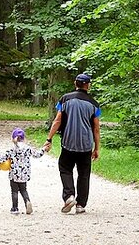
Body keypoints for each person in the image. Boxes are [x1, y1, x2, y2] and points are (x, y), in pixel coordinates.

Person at [42, 73, 101, 214]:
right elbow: (96, 128)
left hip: (68, 142)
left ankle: (69, 196)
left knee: (65, 168)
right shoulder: (94, 104)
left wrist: (49, 139)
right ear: (88, 85)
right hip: (86, 145)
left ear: (75, 83)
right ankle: (80, 205)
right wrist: (97, 148)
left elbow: (57, 120)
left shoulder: (65, 99)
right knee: (84, 174)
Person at [0, 127, 43, 214]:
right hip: (24, 174)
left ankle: (15, 208)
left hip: (14, 174)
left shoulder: (11, 149)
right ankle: (27, 201)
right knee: (24, 190)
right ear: (24, 138)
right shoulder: (27, 148)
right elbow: (37, 155)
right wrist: (44, 149)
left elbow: (2, 158)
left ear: (13, 138)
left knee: (14, 191)